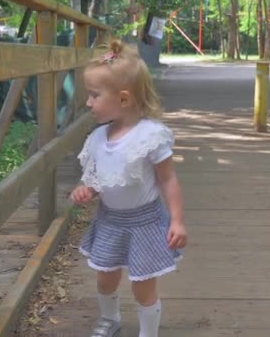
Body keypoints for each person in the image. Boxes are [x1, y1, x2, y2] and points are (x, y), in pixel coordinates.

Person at [70, 39, 187, 337]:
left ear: (123, 99)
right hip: (110, 221)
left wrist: (176, 220)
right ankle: (110, 319)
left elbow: (167, 178)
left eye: (94, 96)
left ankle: (149, 332)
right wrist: (86, 190)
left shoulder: (150, 136)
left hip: (144, 223)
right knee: (105, 279)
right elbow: (98, 179)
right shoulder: (97, 139)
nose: (88, 102)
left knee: (142, 285)